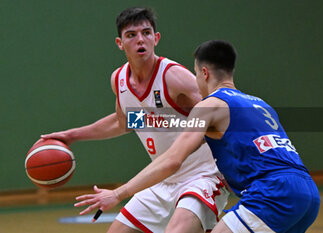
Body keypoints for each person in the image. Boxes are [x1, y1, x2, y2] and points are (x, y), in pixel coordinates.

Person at [76, 40, 320, 232]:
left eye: (194, 73)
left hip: (271, 192)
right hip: (307, 192)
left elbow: (173, 159)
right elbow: (163, 123)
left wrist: (119, 193)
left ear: (204, 73)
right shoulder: (260, 104)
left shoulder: (209, 105)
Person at [42, 8, 228, 233]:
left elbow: (217, 117)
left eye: (146, 33)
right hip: (162, 178)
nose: (140, 39)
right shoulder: (119, 80)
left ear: (156, 38)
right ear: (120, 43)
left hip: (202, 175)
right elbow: (123, 123)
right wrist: (71, 136)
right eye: (131, 35)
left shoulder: (173, 76)